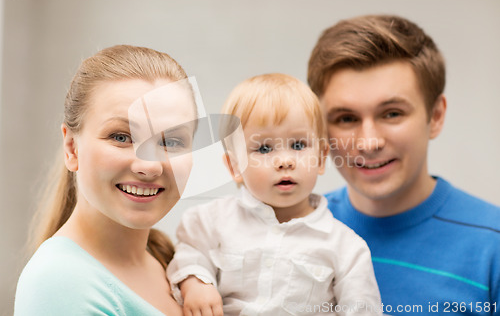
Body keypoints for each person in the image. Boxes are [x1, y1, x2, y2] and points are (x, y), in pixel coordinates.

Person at [307, 15, 500, 315]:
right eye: (346, 119)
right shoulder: (293, 231)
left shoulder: (493, 246)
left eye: (392, 114)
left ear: (435, 116)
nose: (369, 143)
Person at [167, 74, 382, 316]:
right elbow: (190, 254)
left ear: (321, 158)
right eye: (264, 148)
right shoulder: (210, 222)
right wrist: (197, 283)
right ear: (235, 167)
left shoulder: (346, 247)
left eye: (298, 145)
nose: (285, 161)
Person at [14, 45, 198, 315]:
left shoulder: (175, 263)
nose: (149, 166)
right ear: (71, 148)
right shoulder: (60, 283)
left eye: (171, 141)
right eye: (121, 137)